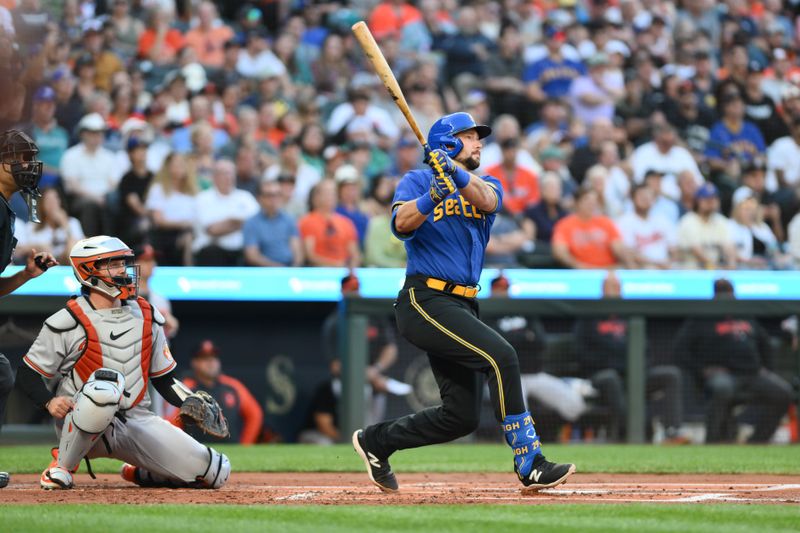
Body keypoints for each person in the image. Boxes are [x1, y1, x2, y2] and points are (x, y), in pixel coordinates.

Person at [352, 112, 575, 494]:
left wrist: (453, 177)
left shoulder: (485, 182)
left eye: (478, 138)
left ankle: (376, 441)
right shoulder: (416, 180)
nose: (479, 143)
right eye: (470, 137)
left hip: (465, 303)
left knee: (460, 418)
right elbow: (400, 225)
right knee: (501, 356)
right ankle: (530, 461)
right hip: (425, 300)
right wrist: (433, 194)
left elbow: (487, 201)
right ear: (448, 143)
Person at [15, 236, 231, 490]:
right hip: (81, 420)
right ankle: (61, 466)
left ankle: (140, 473)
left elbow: (163, 378)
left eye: (123, 262)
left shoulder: (147, 313)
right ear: (88, 270)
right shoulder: (69, 319)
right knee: (106, 386)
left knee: (216, 472)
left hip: (136, 419)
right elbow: (27, 372)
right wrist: (49, 401)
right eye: (113, 264)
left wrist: (189, 400)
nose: (123, 270)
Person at [0, 130, 58, 489]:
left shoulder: (6, 209)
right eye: (18, 158)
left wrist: (25, 274)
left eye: (27, 157)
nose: (26, 166)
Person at [674, 279, 794, 443]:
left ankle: (757, 442)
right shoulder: (703, 317)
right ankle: (713, 442)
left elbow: (765, 344)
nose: (727, 297)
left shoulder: (744, 315)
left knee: (783, 393)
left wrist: (766, 369)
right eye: (722, 294)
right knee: (722, 388)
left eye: (729, 293)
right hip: (723, 374)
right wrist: (701, 370)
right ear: (714, 296)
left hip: (752, 374)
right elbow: (680, 350)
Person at [574, 272, 687, 443]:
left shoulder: (629, 313)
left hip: (634, 375)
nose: (615, 291)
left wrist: (637, 368)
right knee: (610, 378)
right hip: (604, 375)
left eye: (618, 287)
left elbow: (645, 349)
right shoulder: (590, 314)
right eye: (611, 286)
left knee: (670, 375)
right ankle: (629, 432)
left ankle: (673, 431)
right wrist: (614, 360)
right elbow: (581, 352)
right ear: (602, 289)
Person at [174, 339, 264, 445]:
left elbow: (255, 415)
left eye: (214, 357)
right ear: (194, 362)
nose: (211, 362)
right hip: (198, 452)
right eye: (204, 358)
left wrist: (245, 445)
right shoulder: (185, 387)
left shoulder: (232, 386)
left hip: (232, 452)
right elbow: (172, 422)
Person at [192, 159, 259, 266]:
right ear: (214, 177)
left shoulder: (246, 197)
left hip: (242, 250)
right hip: (212, 249)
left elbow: (257, 223)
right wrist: (241, 223)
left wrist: (230, 223)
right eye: (224, 173)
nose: (229, 177)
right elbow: (213, 230)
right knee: (211, 253)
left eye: (231, 173)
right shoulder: (203, 199)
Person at [243, 180, 303, 267]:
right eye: (269, 195)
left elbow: (297, 250)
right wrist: (279, 269)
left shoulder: (289, 220)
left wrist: (295, 267)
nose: (274, 199)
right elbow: (252, 256)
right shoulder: (251, 223)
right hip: (264, 272)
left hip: (290, 269)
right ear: (259, 198)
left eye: (277, 194)